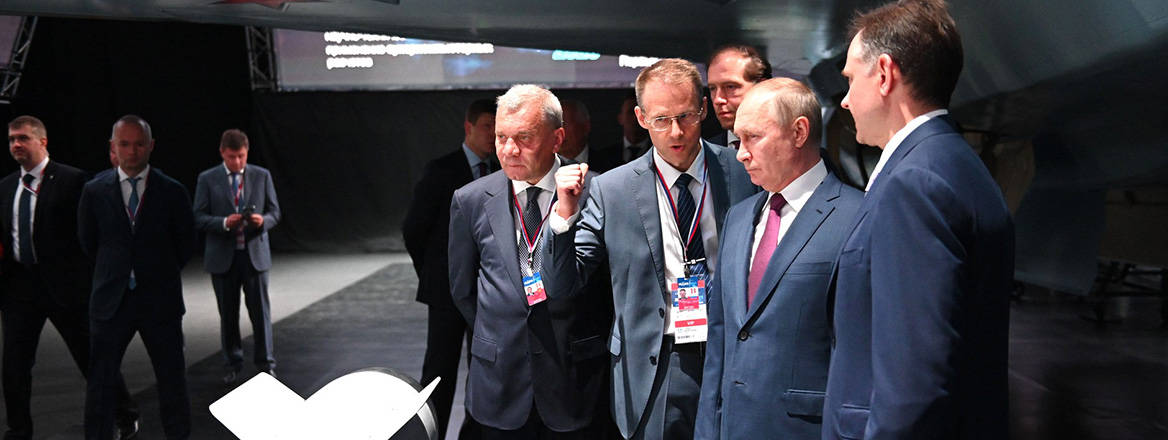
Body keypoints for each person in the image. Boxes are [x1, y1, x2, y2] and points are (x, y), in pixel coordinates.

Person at [822, 1, 1014, 439]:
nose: (846, 100)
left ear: (885, 74)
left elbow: (914, 382)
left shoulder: (913, 183)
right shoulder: (955, 162)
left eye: (851, 79)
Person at [550, 59, 757, 439]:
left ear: (704, 110)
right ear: (641, 118)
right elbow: (563, 284)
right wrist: (563, 216)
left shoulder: (745, 173)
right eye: (662, 119)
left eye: (686, 117)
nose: (676, 132)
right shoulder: (611, 190)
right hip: (657, 360)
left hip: (733, 351)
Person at [694, 79, 862, 439]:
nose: (740, 153)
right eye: (738, 140)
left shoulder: (858, 216)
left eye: (753, 138)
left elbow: (863, 351)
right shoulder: (739, 218)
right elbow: (722, 338)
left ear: (799, 132)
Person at [447, 85, 608, 439]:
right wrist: (501, 333)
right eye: (501, 136)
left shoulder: (599, 193)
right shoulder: (471, 199)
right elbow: (463, 291)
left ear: (557, 138)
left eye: (524, 138)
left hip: (575, 378)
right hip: (500, 381)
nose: (508, 150)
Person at [0, 116, 140, 439]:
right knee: (14, 366)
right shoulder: (6, 188)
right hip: (20, 289)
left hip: (67, 288)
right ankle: (19, 430)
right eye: (11, 140)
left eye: (22, 138)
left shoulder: (73, 180)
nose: (15, 145)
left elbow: (95, 234)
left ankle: (125, 413)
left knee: (90, 358)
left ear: (42, 142)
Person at [79, 115, 195, 440]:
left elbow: (185, 244)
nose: (132, 151)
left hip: (160, 301)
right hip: (110, 301)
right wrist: (116, 272)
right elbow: (87, 242)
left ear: (151, 146)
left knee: (172, 381)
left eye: (139, 143)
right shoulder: (94, 190)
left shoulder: (172, 191)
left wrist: (156, 273)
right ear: (113, 147)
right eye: (125, 144)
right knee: (100, 384)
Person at [402, 98, 496, 439]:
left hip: (487, 292)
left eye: (496, 128)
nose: (493, 135)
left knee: (485, 370)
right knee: (439, 370)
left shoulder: (502, 171)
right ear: (468, 128)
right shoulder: (442, 170)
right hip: (445, 292)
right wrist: (433, 274)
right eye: (487, 126)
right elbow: (414, 229)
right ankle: (430, 433)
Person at [193, 128, 282, 384]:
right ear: (222, 153)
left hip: (254, 255)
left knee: (261, 313)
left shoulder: (261, 175)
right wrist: (223, 223)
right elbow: (197, 216)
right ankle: (233, 363)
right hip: (223, 257)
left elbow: (275, 212)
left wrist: (261, 221)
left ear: (247, 152)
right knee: (228, 314)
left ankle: (266, 364)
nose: (237, 162)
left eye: (241, 156)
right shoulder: (207, 179)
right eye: (232, 157)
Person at [705, 45, 771, 149]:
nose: (718, 99)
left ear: (762, 87)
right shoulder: (705, 153)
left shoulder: (789, 148)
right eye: (712, 88)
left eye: (730, 87)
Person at [595, 93, 650, 170]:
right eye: (630, 112)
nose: (636, 118)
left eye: (641, 113)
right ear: (620, 118)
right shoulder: (603, 157)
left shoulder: (659, 154)